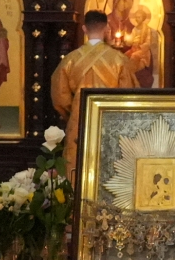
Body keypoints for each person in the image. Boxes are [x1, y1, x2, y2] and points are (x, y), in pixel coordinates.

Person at [51, 9, 139, 179]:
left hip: (78, 124)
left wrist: (75, 114)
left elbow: (60, 98)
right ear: (107, 28)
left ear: (84, 29)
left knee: (77, 171)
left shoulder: (70, 60)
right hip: (111, 125)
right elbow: (129, 95)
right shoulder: (119, 59)